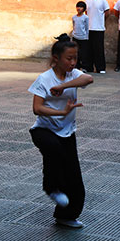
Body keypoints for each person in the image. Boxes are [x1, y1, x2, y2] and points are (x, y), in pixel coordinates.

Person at [28, 34, 94, 228]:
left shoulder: (73, 75)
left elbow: (88, 79)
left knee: (74, 178)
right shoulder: (44, 79)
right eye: (69, 58)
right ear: (56, 58)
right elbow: (37, 108)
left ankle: (66, 216)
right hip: (44, 130)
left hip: (67, 132)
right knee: (54, 151)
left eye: (75, 58)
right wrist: (60, 111)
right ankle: (51, 188)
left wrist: (63, 86)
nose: (73, 63)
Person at [84, 0, 110, 73]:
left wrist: (101, 21)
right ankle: (88, 67)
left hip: (99, 28)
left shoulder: (102, 0)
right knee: (88, 49)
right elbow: (86, 13)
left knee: (98, 49)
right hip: (89, 29)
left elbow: (107, 12)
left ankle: (100, 68)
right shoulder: (87, 0)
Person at [71, 1, 89, 71]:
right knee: (76, 52)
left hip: (83, 38)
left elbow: (87, 28)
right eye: (78, 6)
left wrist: (86, 36)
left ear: (84, 9)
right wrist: (73, 34)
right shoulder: (74, 17)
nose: (79, 8)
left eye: (81, 7)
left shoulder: (85, 18)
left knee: (83, 53)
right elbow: (74, 26)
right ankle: (77, 66)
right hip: (75, 37)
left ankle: (84, 67)